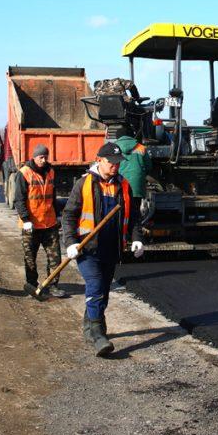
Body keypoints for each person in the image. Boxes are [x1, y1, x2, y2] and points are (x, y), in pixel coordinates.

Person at [60, 142, 145, 356]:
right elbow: (69, 215)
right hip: (87, 249)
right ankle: (98, 335)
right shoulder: (84, 184)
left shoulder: (124, 185)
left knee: (103, 292)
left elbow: (134, 216)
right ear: (100, 160)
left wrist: (136, 238)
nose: (116, 166)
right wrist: (70, 242)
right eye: (112, 162)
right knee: (96, 286)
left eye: (118, 163)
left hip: (111, 248)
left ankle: (91, 327)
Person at [13, 144, 65, 298]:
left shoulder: (51, 172)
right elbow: (19, 199)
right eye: (41, 157)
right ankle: (32, 285)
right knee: (30, 258)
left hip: (49, 223)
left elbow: (53, 196)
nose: (43, 160)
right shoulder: (24, 173)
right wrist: (25, 219)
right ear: (34, 157)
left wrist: (58, 215)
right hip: (31, 225)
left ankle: (53, 285)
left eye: (45, 157)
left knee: (55, 257)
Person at [113, 127, 152, 218]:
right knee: (135, 214)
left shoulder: (113, 148)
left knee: (119, 214)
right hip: (136, 186)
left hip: (119, 186)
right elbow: (149, 167)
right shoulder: (141, 147)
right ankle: (134, 230)